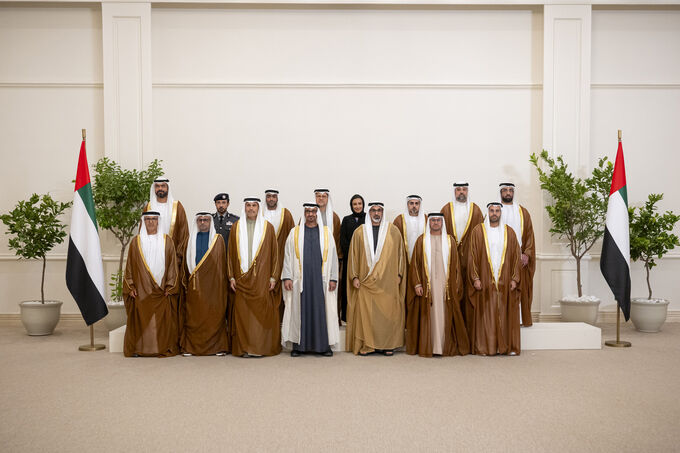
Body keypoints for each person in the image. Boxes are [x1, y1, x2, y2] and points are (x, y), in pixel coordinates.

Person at [346, 202, 407, 356]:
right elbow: (352, 256)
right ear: (369, 212)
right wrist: (354, 276)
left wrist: (399, 275)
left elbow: (400, 255)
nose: (376, 213)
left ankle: (387, 345)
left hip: (387, 281)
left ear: (383, 212)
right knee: (367, 315)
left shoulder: (393, 231)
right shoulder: (359, 232)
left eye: (379, 210)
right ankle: (368, 345)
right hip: (365, 282)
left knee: (387, 313)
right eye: (373, 210)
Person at [406, 213, 469, 357]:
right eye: (433, 220)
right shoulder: (421, 241)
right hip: (427, 286)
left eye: (438, 220)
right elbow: (415, 265)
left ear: (442, 223)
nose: (435, 223)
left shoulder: (450, 241)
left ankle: (442, 346)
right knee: (429, 314)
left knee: (443, 314)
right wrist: (416, 284)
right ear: (429, 223)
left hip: (446, 286)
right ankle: (431, 346)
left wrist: (457, 285)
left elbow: (457, 266)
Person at [281, 203, 339, 356]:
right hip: (300, 280)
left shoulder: (326, 233)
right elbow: (287, 256)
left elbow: (333, 258)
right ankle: (299, 347)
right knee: (299, 311)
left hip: (321, 281)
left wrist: (333, 278)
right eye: (308, 211)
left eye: (314, 211)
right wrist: (286, 276)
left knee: (322, 311)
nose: (311, 214)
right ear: (304, 213)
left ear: (317, 214)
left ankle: (323, 347)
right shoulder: (294, 232)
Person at [226, 197, 281, 357]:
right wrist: (231, 277)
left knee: (260, 314)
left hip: (261, 278)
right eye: (248, 205)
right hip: (241, 278)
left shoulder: (267, 228)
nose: (251, 208)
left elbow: (275, 254)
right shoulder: (236, 227)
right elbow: (230, 254)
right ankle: (244, 348)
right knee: (243, 314)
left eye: (254, 206)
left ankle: (259, 348)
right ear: (245, 208)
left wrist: (273, 277)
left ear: (258, 208)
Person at [467, 202, 521, 356]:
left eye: (497, 211)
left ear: (500, 213)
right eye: (492, 211)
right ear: (488, 212)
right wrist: (475, 278)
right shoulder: (478, 231)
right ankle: (486, 347)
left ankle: (505, 347)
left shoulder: (509, 232)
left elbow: (517, 256)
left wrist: (515, 279)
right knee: (486, 315)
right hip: (485, 279)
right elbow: (472, 257)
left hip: (504, 280)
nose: (494, 213)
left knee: (504, 314)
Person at [123, 211, 179, 357]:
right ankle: (140, 349)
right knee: (141, 320)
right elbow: (129, 265)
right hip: (141, 289)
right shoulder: (136, 242)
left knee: (161, 321)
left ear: (158, 221)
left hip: (161, 291)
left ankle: (161, 348)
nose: (151, 222)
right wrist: (130, 286)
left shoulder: (167, 241)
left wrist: (170, 286)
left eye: (154, 219)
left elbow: (173, 265)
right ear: (144, 221)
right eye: (148, 219)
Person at [180, 212, 229, 356]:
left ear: (210, 222)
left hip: (213, 285)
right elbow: (184, 263)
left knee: (213, 315)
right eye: (200, 220)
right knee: (193, 315)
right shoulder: (190, 239)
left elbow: (221, 264)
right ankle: (191, 347)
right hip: (194, 284)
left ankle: (217, 347)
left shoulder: (217, 240)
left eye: (206, 220)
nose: (203, 222)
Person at [440, 182, 483, 338]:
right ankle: (452, 333)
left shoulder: (476, 210)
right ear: (454, 191)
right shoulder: (446, 209)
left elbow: (481, 236)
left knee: (470, 294)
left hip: (471, 259)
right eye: (458, 190)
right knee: (453, 291)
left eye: (464, 189)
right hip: (450, 259)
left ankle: (470, 333)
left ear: (468, 191)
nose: (461, 192)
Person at [499, 183, 536, 327]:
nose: (508, 193)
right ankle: (501, 318)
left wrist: (527, 253)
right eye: (505, 190)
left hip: (519, 258)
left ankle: (519, 319)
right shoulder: (493, 211)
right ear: (500, 192)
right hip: (499, 259)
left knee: (518, 288)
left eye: (510, 190)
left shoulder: (523, 212)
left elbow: (529, 235)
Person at [262, 189, 295, 319]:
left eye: (273, 197)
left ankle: (280, 321)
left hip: (282, 259)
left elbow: (292, 239)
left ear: (277, 198)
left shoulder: (285, 214)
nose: (271, 199)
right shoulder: (260, 213)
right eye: (269, 196)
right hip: (263, 261)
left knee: (281, 290)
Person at [144, 178, 189, 271]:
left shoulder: (177, 207)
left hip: (173, 256)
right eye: (157, 186)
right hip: (152, 255)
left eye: (163, 186)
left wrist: (178, 255)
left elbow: (183, 232)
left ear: (168, 188)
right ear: (154, 188)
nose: (160, 188)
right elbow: (143, 231)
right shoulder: (148, 207)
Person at [338, 194, 365, 323]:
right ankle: (348, 316)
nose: (358, 206)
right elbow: (343, 240)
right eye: (355, 204)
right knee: (349, 287)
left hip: (365, 261)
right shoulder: (346, 220)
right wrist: (353, 254)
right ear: (351, 206)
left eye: (360, 203)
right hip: (350, 261)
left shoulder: (368, 218)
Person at [393, 195, 427, 263]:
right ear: (407, 205)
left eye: (416, 203)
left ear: (420, 205)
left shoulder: (426, 219)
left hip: (422, 256)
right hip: (404, 258)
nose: (414, 206)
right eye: (411, 203)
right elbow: (394, 241)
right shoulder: (399, 220)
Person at [314, 189, 342, 257]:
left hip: (329, 254)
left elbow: (338, 239)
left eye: (324, 196)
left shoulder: (334, 217)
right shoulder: (308, 216)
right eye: (318, 196)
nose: (321, 198)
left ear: (327, 199)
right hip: (313, 251)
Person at [212, 193, 239, 258]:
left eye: (224, 202)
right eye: (218, 203)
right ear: (215, 204)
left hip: (229, 256)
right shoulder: (209, 219)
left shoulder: (235, 220)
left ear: (228, 204)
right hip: (213, 257)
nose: (221, 205)